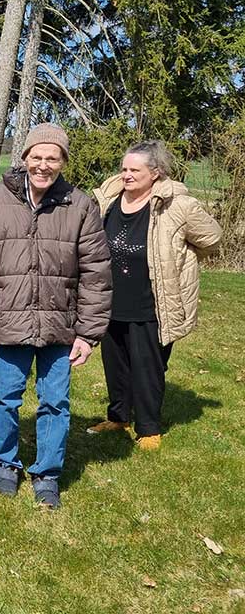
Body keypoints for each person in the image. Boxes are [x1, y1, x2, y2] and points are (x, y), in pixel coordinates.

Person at [0, 123, 111, 508]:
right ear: (23, 158)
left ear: (62, 162)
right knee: (4, 398)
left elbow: (96, 273)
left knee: (56, 403)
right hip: (8, 323)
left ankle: (47, 472)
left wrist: (88, 334)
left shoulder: (81, 205)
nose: (43, 165)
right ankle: (4, 463)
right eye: (36, 156)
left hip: (62, 326)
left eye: (52, 158)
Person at [89, 141, 221, 450]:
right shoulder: (109, 199)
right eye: (124, 169)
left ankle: (149, 428)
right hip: (112, 298)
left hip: (153, 302)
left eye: (135, 170)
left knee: (148, 367)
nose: (127, 175)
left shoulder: (177, 205)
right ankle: (118, 417)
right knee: (116, 363)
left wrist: (181, 258)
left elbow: (212, 238)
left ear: (156, 173)